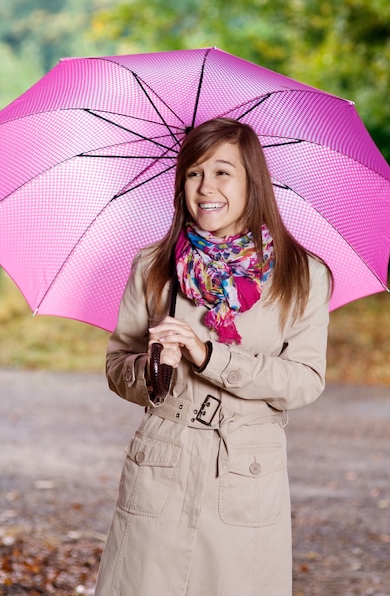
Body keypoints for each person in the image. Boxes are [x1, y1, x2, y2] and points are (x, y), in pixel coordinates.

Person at [95, 118, 331, 596]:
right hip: (163, 458)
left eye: (223, 172)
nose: (206, 187)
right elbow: (119, 364)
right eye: (194, 173)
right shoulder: (153, 267)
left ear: (252, 182)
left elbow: (305, 380)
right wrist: (152, 371)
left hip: (246, 466)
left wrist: (209, 356)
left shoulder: (302, 275)